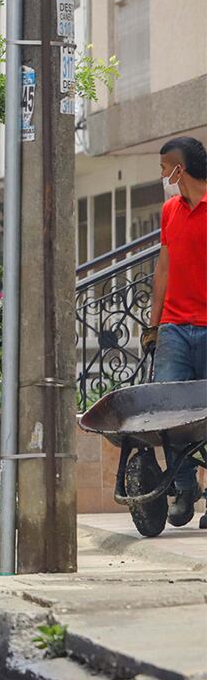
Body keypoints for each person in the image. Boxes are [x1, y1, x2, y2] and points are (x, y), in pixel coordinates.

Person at [143, 135, 207, 527]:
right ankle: (184, 488)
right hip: (174, 329)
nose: (163, 173)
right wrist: (153, 324)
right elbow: (163, 269)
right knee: (168, 412)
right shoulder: (170, 211)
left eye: (165, 166)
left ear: (179, 168)